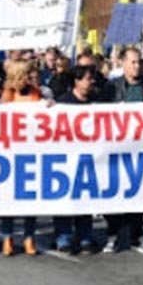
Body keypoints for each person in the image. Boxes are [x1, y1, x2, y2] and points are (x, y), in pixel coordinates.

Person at [101, 47, 143, 254]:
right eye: (132, 62)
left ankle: (137, 235)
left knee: (139, 193)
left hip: (142, 148)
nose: (136, 66)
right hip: (117, 148)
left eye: (138, 62)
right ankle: (113, 234)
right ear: (123, 64)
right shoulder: (112, 88)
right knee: (116, 192)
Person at [52, 64, 99, 254]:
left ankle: (85, 236)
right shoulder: (63, 102)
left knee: (86, 198)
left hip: (89, 159)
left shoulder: (96, 102)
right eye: (88, 79)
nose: (91, 82)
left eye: (92, 79)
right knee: (65, 198)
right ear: (77, 82)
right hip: (66, 159)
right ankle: (64, 237)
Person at [0, 59, 43, 256]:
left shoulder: (35, 93)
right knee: (9, 198)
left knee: (30, 197)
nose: (29, 77)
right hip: (11, 150)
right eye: (25, 74)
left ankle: (29, 236)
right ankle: (7, 236)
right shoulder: (9, 95)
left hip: (31, 149)